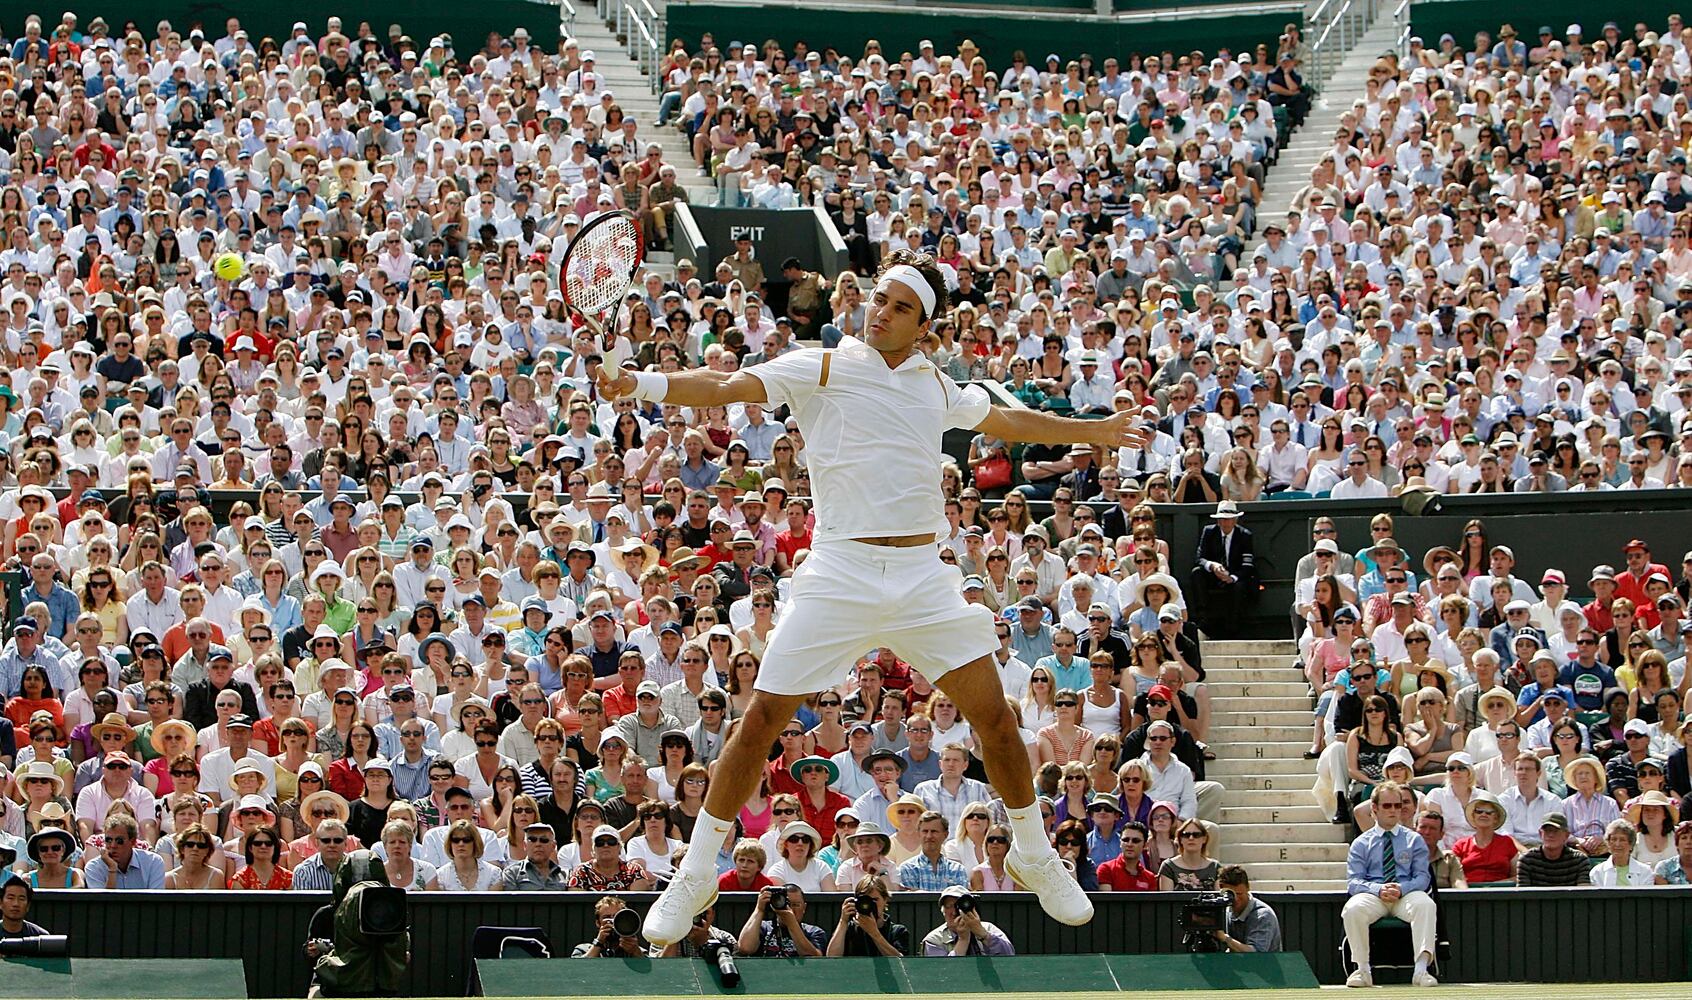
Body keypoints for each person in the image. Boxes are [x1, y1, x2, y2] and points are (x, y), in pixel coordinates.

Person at [609, 251, 1142, 945]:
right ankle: (697, 870)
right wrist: (639, 381)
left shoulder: (937, 385)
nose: (880, 311)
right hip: (840, 569)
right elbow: (724, 382)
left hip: (922, 574)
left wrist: (1094, 432)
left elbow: (1011, 422)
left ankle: (1035, 855)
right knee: (762, 717)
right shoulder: (823, 365)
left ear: (925, 328)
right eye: (878, 298)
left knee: (996, 718)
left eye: (899, 306)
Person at [1341, 782, 1439, 988]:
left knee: (1426, 904)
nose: (1393, 810)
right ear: (1374, 808)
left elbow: (1423, 878)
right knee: (1352, 908)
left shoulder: (1414, 840)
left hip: (1405, 894)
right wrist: (1378, 889)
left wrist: (1401, 889)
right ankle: (1362, 970)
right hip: (1374, 895)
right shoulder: (1360, 843)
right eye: (1387, 806)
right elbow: (1354, 882)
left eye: (1397, 805)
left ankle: (1422, 970)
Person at [825, 874, 910, 956]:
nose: (870, 904)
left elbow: (900, 961)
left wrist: (874, 933)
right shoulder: (849, 929)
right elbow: (832, 957)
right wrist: (843, 921)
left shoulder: (897, 931)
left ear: (885, 900)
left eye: (875, 900)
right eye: (865, 900)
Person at [921, 885, 1015, 956]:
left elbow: (1009, 955)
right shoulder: (934, 940)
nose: (954, 912)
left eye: (958, 906)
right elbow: (943, 971)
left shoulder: (989, 928)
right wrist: (963, 939)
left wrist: (983, 935)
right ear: (943, 911)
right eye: (948, 906)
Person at [736, 882, 826, 957]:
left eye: (796, 905)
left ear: (804, 908)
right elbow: (745, 948)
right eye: (787, 904)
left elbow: (814, 958)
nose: (791, 909)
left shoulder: (813, 932)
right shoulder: (763, 927)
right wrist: (759, 909)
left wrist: (792, 924)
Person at [1214, 864, 1282, 952]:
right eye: (1231, 895)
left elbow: (1255, 953)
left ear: (1248, 888)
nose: (1236, 899)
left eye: (1239, 894)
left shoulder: (1263, 915)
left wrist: (1225, 939)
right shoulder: (1227, 910)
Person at [1516, 812, 1591, 887]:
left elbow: (1583, 891)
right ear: (1540, 834)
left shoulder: (1580, 860)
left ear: (1566, 835)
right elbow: (1523, 892)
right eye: (1547, 830)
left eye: (1556, 831)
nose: (1551, 835)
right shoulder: (1527, 860)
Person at [573, 895, 650, 957]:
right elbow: (579, 968)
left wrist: (636, 952)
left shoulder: (637, 950)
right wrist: (598, 943)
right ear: (598, 923)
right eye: (607, 917)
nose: (612, 921)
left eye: (616, 917)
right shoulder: (583, 949)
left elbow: (650, 969)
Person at [0, 875, 48, 940]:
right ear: (1, 903)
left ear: (28, 906)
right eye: (11, 898)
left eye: (21, 899)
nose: (16, 904)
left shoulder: (40, 937)